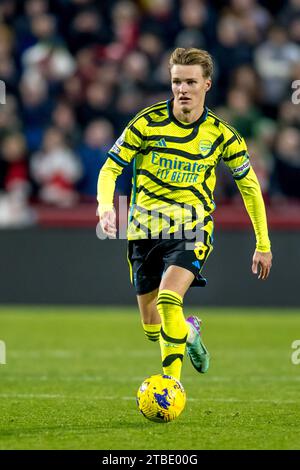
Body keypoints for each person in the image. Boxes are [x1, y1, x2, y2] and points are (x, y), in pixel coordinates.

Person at [97, 47, 272, 382]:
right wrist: (106, 207)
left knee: (168, 299)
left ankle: (170, 386)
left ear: (206, 84)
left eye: (190, 82)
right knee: (153, 328)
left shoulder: (222, 135)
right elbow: (110, 168)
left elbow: (250, 187)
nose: (182, 89)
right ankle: (189, 332)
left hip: (192, 230)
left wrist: (262, 242)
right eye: (177, 81)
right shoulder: (146, 123)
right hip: (142, 230)